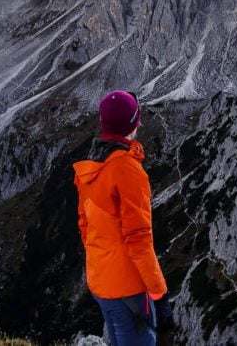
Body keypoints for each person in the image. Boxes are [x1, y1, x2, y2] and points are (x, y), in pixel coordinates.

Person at [73, 90, 174, 346]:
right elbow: (139, 240)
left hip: (100, 281)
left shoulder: (90, 168)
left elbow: (85, 226)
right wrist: (160, 296)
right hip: (128, 288)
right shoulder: (127, 170)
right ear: (135, 123)